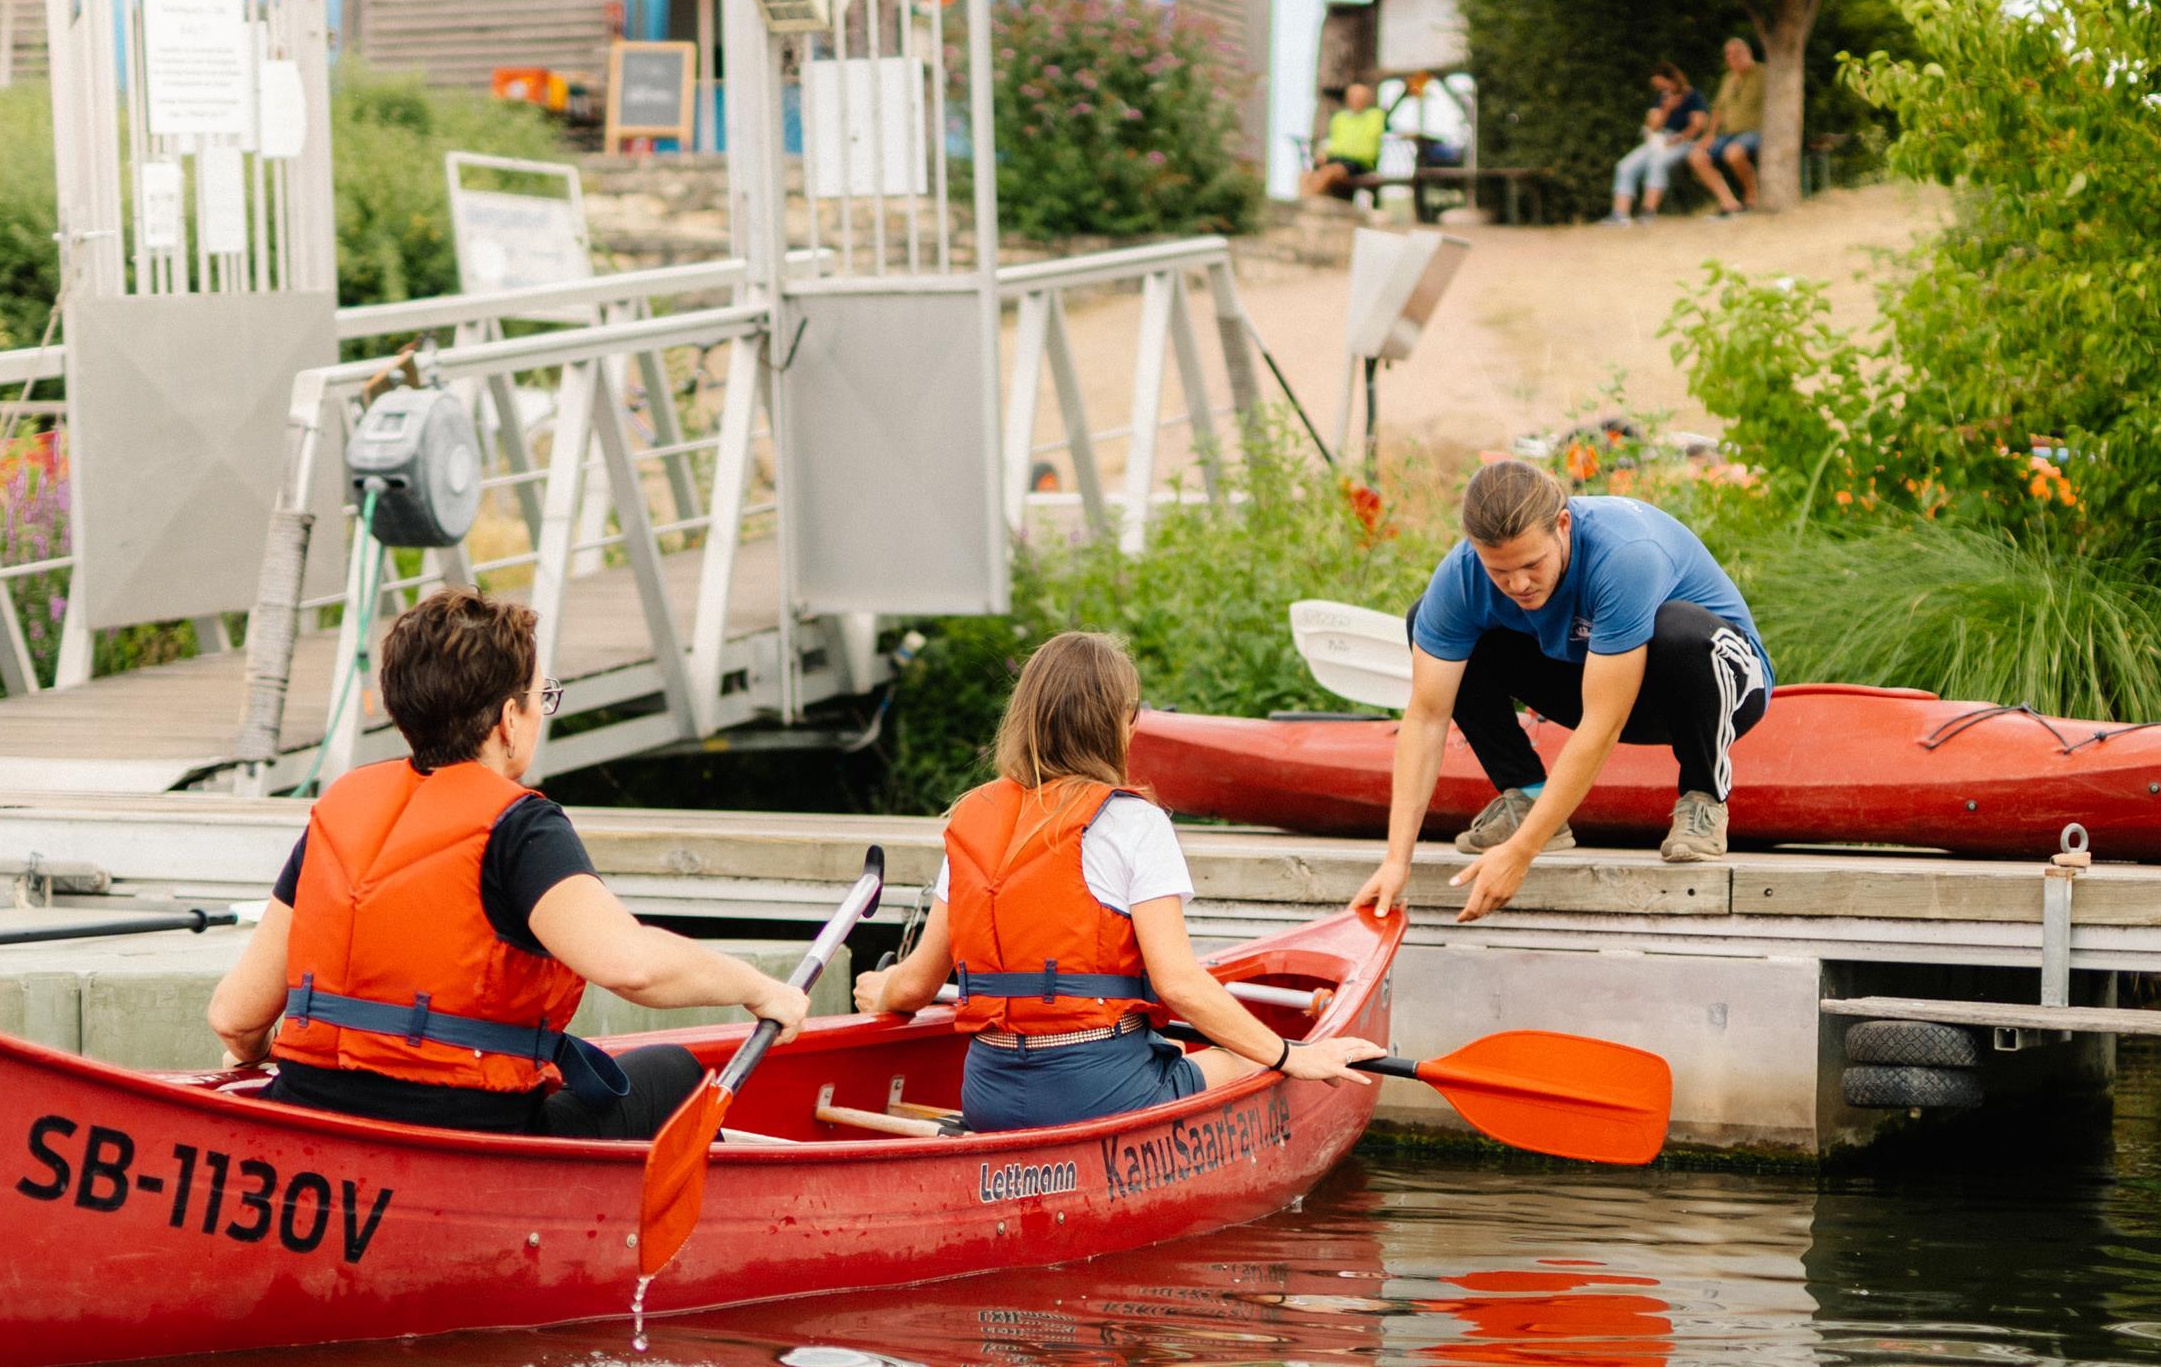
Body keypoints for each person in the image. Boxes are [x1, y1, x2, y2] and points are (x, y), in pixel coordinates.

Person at [208, 591, 816, 1139]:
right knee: (674, 1074)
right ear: (507, 719)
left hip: (311, 1112)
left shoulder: (339, 812)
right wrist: (759, 988)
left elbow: (235, 1020)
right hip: (467, 1129)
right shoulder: (520, 827)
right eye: (539, 698)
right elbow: (631, 967)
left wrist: (265, 1054)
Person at [854, 631, 1379, 1134]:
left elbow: (917, 986)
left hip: (988, 1095)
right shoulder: (1134, 822)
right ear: (1121, 724)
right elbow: (1178, 984)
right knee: (1240, 1059)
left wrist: (883, 991)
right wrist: (1294, 1055)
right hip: (1099, 1092)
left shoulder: (973, 818)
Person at [1350, 458, 1771, 924]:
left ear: (1563, 525)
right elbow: (1427, 717)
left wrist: (1520, 853)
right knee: (1433, 623)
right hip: (1591, 669)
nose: (1518, 584)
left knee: (1680, 632)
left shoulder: (1625, 555)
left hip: (1716, 683)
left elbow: (1601, 724)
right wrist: (1396, 861)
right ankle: (1525, 793)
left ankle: (1703, 798)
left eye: (1532, 564)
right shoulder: (1463, 576)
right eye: (1500, 572)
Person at [1605, 65, 1703, 222]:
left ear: (1673, 79)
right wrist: (1666, 109)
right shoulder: (1661, 98)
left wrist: (1679, 138)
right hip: (1659, 141)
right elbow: (1652, 126)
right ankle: (1619, 214)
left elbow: (1697, 125)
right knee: (1625, 166)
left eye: (1662, 83)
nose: (1660, 88)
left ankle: (1648, 212)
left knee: (1657, 163)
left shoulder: (1693, 97)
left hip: (1684, 142)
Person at [1686, 34, 1765, 215]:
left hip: (1754, 131)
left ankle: (1752, 198)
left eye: (1737, 53)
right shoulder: (1728, 78)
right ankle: (1729, 203)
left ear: (1748, 52)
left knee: (1733, 153)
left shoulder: (1763, 73)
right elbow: (1717, 110)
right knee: (1696, 156)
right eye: (1728, 54)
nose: (1733, 57)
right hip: (1728, 134)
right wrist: (1709, 136)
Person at [1306, 81, 1391, 200]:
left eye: (1360, 97)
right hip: (1335, 160)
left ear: (1367, 99)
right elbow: (1331, 141)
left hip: (1358, 164)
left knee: (1329, 171)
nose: (1356, 100)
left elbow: (1365, 147)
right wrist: (1323, 151)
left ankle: (1308, 204)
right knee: (1305, 176)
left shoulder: (1376, 117)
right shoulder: (1339, 118)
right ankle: (1305, 205)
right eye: (1353, 97)